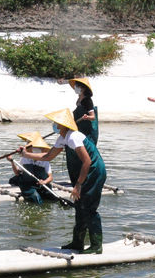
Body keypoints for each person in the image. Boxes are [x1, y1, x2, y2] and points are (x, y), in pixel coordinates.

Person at [22, 108, 106, 254]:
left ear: (63, 125)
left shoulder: (73, 137)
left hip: (94, 172)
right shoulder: (63, 138)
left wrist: (78, 185)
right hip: (86, 172)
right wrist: (26, 154)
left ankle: (96, 246)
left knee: (89, 208)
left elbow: (87, 161)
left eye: (56, 123)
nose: (54, 125)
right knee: (79, 207)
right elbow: (48, 156)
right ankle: (77, 243)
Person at [7, 131, 55, 204]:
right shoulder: (24, 159)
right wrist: (12, 162)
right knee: (36, 198)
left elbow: (50, 177)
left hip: (42, 184)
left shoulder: (45, 160)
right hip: (28, 184)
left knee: (51, 197)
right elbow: (17, 173)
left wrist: (44, 182)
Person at [69, 78, 99, 145]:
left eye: (77, 86)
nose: (75, 87)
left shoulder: (87, 100)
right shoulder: (79, 98)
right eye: (75, 86)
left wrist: (87, 117)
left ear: (83, 88)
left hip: (85, 128)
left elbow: (93, 117)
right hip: (79, 126)